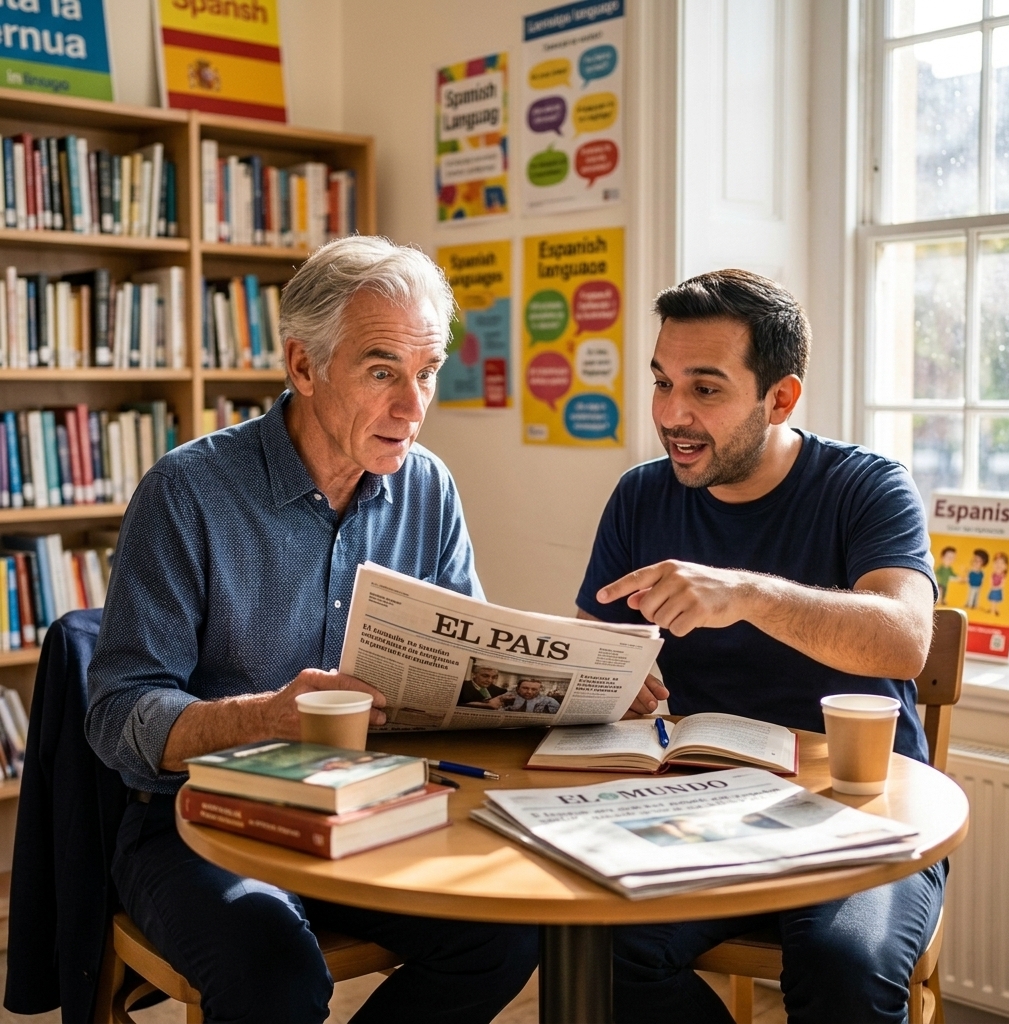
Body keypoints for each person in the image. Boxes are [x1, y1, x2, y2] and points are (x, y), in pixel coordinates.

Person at [85, 237, 537, 1024]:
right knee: (274, 974)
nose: (413, 407)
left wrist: (563, 688)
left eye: (426, 373)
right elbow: (116, 715)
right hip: (199, 819)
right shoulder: (187, 491)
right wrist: (264, 718)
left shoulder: (427, 487)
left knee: (506, 938)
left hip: (375, 808)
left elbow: (468, 670)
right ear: (303, 367)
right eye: (381, 371)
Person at [575, 269, 944, 1024]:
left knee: (844, 966)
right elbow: (596, 647)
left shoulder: (868, 488)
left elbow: (905, 641)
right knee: (594, 949)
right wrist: (610, 675)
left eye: (705, 389)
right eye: (662, 382)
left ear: (779, 398)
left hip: (856, 812)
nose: (671, 414)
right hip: (691, 811)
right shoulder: (640, 495)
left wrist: (745, 593)